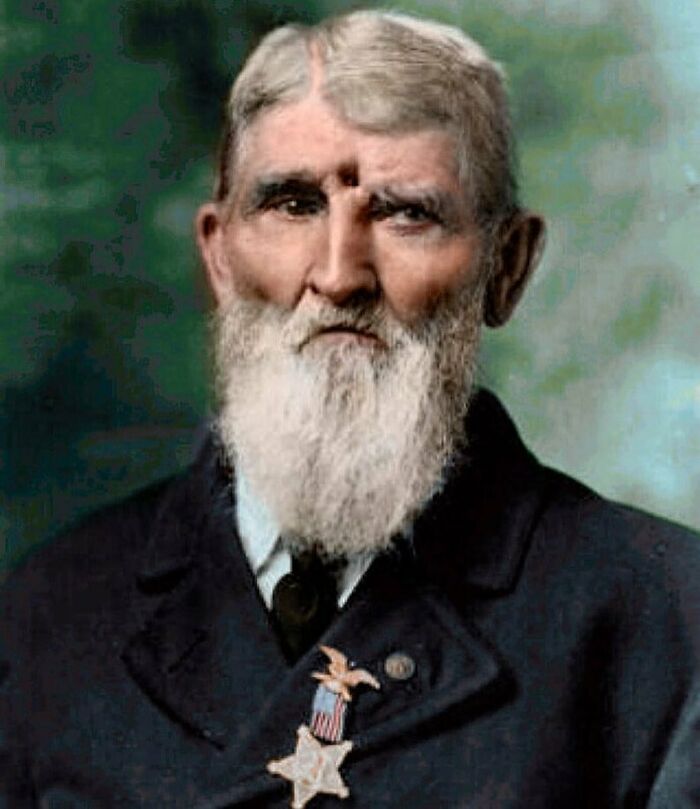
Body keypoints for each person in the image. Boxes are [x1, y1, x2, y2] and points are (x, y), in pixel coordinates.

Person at [1, 9, 698, 808]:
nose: (339, 275)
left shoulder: (671, 625)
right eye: (293, 204)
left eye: (407, 213)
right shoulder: (48, 612)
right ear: (219, 257)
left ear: (506, 267)